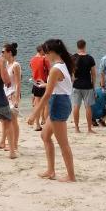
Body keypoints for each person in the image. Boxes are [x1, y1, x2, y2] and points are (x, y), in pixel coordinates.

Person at [27, 39, 76, 182]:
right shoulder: (63, 65)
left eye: (46, 52)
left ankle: (71, 176)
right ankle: (50, 170)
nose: (45, 55)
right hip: (61, 101)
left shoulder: (56, 68)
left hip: (59, 103)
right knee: (45, 136)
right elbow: (61, 83)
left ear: (52, 52)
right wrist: (46, 84)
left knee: (63, 143)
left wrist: (34, 113)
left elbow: (48, 95)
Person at [0, 43, 21, 152]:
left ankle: (15, 144)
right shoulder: (6, 65)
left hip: (12, 95)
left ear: (9, 52)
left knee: (13, 120)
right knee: (4, 120)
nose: (1, 53)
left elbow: (18, 83)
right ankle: (2, 142)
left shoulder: (16, 65)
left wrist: (16, 98)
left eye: (3, 52)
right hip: (5, 95)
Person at [71, 39, 97, 133]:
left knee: (76, 107)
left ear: (77, 46)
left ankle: (77, 128)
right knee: (88, 107)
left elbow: (70, 71)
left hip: (76, 85)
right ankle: (89, 129)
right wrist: (94, 86)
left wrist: (73, 78)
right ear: (85, 46)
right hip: (87, 85)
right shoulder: (90, 58)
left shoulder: (73, 57)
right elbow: (94, 74)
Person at [29, 45, 51, 131]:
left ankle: (37, 124)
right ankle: (45, 122)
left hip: (35, 83)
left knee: (37, 104)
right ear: (42, 50)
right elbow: (50, 70)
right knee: (46, 104)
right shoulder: (44, 59)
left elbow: (31, 67)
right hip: (43, 82)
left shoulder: (32, 59)